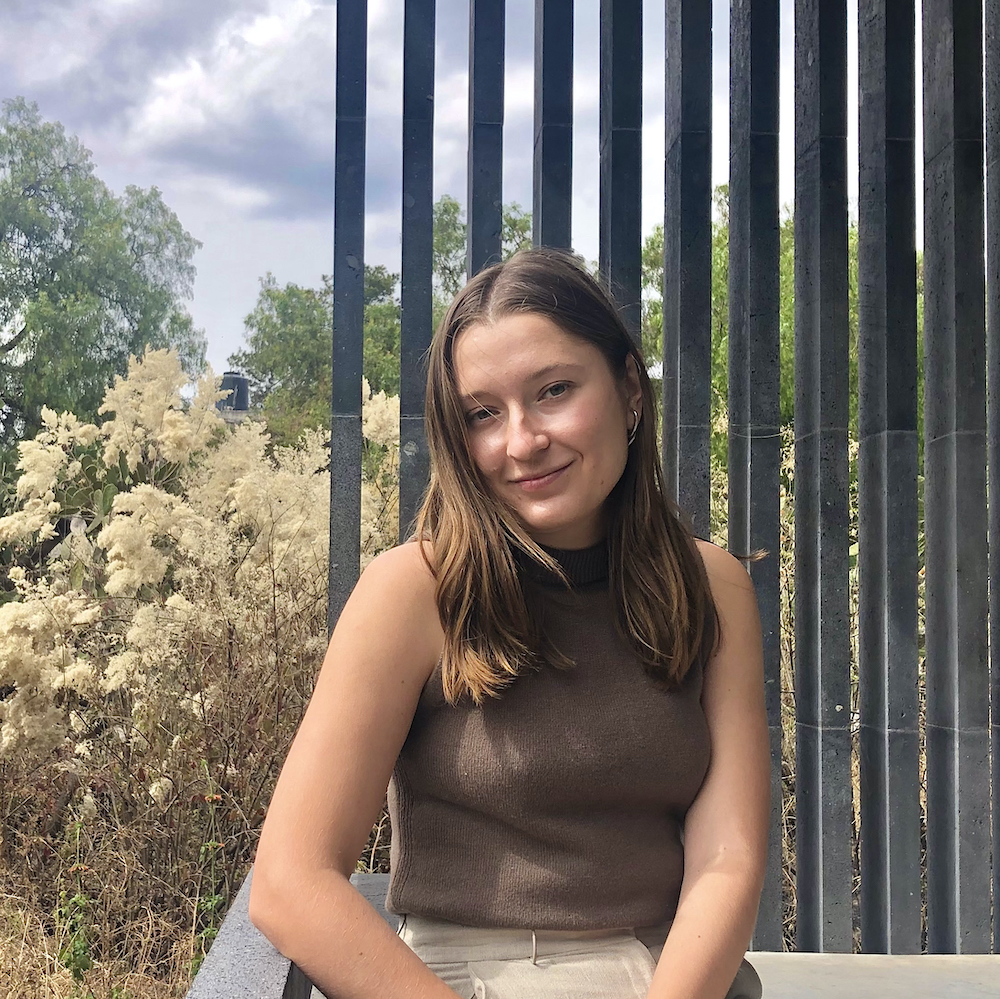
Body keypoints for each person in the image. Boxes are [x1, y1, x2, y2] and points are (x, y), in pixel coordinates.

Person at [249, 247, 770, 999]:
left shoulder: (713, 588)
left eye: (553, 390)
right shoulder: (414, 592)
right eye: (482, 413)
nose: (520, 441)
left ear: (629, 388)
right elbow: (291, 880)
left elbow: (729, 858)